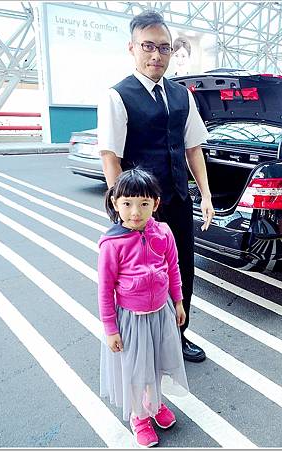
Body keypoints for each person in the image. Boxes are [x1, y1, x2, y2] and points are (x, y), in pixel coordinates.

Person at [98, 10, 214, 363]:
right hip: (140, 209)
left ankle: (178, 336)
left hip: (177, 199)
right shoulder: (117, 96)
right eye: (148, 46)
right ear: (132, 48)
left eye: (164, 48)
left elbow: (193, 148)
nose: (156, 55)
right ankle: (143, 343)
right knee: (139, 277)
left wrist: (205, 195)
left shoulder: (181, 95)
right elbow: (111, 157)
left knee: (181, 269)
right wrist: (122, 212)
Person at [99, 169, 189, 448]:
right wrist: (110, 329)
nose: (135, 212)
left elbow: (173, 268)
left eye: (143, 203)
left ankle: (154, 403)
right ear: (115, 203)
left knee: (157, 364)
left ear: (156, 203)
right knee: (136, 371)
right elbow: (105, 289)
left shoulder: (163, 232)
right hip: (131, 320)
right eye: (127, 203)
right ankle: (139, 416)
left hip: (161, 314)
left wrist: (178, 301)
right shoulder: (112, 243)